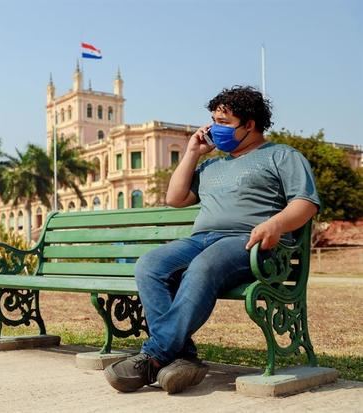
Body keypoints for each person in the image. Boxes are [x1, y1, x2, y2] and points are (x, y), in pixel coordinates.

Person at [104, 86, 320, 394]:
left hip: (249, 244)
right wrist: (192, 152)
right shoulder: (210, 165)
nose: (216, 129)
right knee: (150, 265)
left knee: (204, 266)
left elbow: (306, 203)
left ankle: (154, 357)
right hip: (201, 240)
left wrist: (275, 224)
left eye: (225, 122)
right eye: (213, 121)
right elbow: (175, 198)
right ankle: (182, 357)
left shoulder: (282, 156)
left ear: (250, 124)